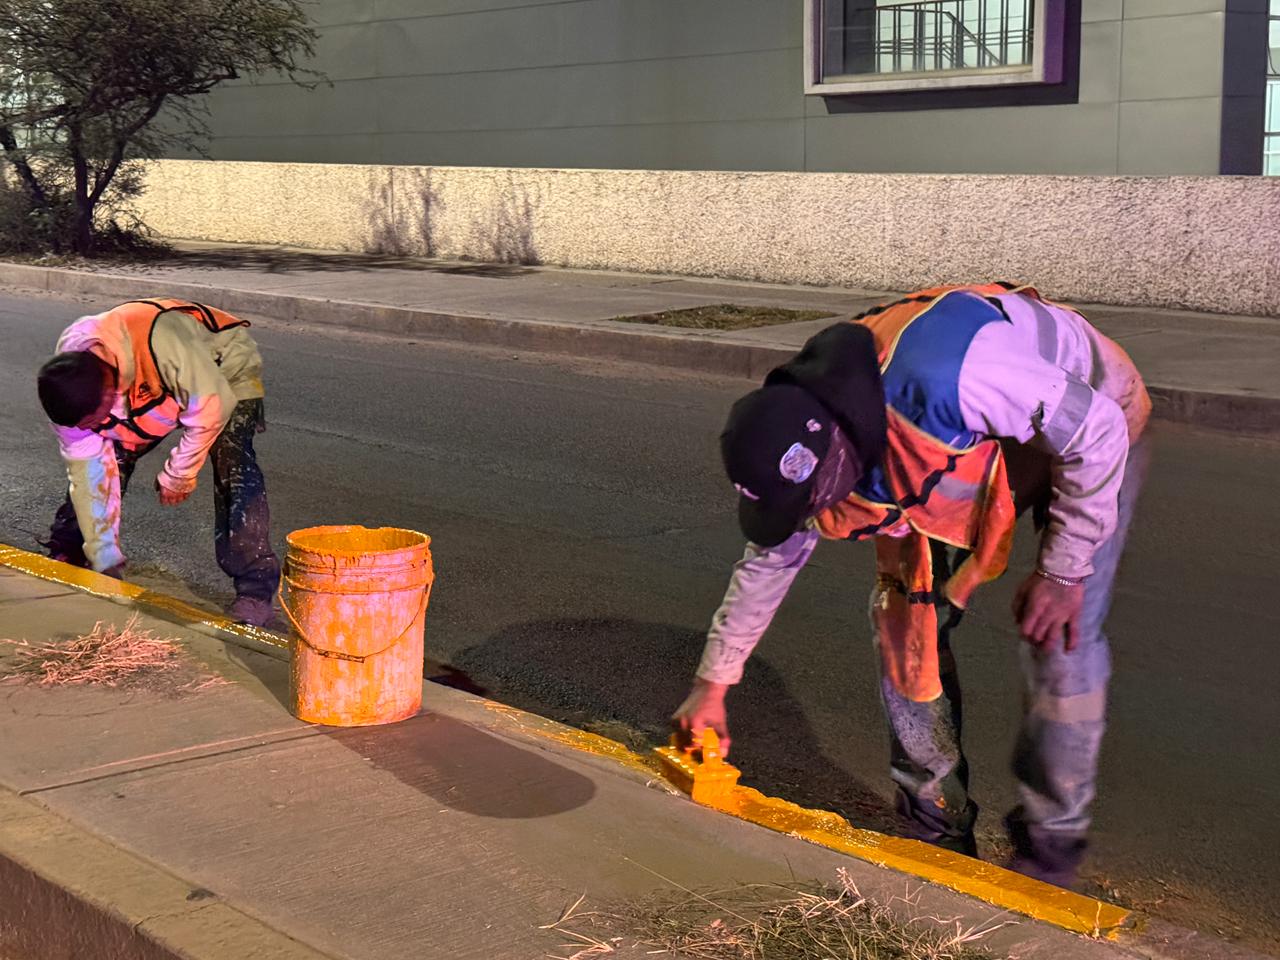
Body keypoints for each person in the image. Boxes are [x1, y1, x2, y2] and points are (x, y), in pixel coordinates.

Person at [672, 282, 1151, 889]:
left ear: (847, 459)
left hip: (1090, 419)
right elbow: (772, 559)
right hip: (968, 451)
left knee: (1059, 632)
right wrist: (712, 684)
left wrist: (1062, 572)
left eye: (823, 501)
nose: (822, 519)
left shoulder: (952, 375)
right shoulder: (809, 422)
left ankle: (1052, 845)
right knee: (905, 626)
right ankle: (937, 828)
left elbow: (1098, 430)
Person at [36, 298, 280, 627]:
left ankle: (255, 590)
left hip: (221, 369)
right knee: (111, 455)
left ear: (110, 395)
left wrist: (178, 474)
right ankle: (70, 553)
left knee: (232, 458)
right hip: (154, 386)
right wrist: (105, 559)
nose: (90, 430)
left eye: (94, 420)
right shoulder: (71, 377)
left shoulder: (162, 340)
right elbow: (88, 468)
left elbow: (211, 409)